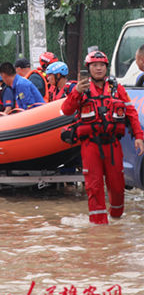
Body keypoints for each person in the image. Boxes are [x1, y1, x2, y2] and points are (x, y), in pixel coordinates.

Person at [61, 51, 144, 224]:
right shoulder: (80, 89)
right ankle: (99, 230)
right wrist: (76, 92)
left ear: (106, 67)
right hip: (90, 146)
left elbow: (131, 113)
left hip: (113, 145)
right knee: (94, 187)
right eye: (94, 65)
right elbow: (66, 110)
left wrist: (138, 136)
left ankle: (116, 220)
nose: (98, 69)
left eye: (101, 65)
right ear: (88, 68)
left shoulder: (116, 88)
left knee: (117, 186)